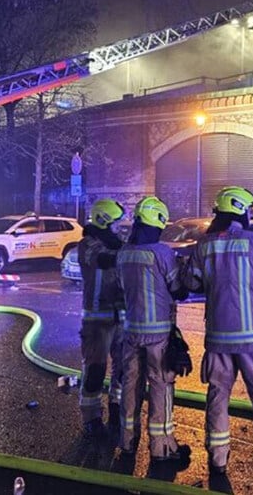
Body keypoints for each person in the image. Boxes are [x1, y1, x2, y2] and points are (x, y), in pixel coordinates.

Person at [183, 186, 253, 484]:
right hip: (251, 338)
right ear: (240, 210)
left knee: (218, 398)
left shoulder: (204, 245)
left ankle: (217, 461)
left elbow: (191, 284)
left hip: (218, 337)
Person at [115, 196, 191, 462]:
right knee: (161, 386)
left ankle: (127, 442)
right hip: (158, 335)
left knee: (130, 385)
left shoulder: (124, 253)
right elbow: (178, 290)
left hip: (131, 332)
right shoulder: (162, 253)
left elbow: (121, 287)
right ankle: (162, 448)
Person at [77, 198, 126, 442]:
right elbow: (104, 259)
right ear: (104, 221)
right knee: (95, 370)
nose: (119, 228)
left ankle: (116, 407)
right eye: (116, 223)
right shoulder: (88, 244)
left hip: (120, 317)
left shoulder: (118, 245)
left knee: (123, 368)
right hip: (97, 320)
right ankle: (91, 418)